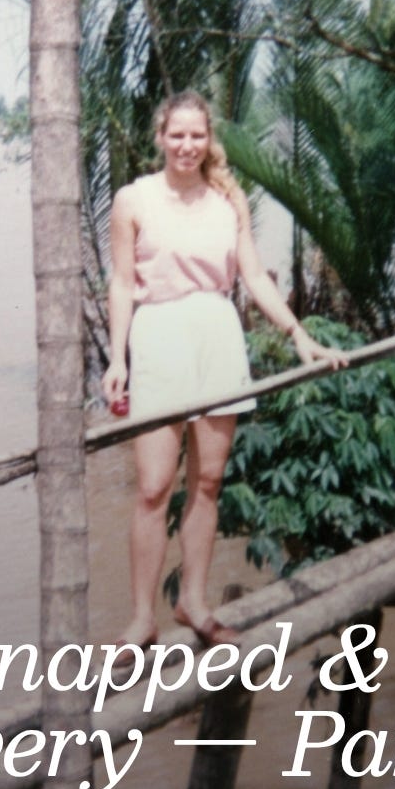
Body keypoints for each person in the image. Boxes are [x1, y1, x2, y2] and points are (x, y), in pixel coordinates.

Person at [101, 91, 348, 653]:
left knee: (207, 484)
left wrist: (298, 335)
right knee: (153, 486)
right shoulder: (133, 200)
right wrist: (118, 358)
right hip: (158, 337)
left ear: (209, 140)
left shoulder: (226, 201)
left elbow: (255, 278)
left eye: (197, 135)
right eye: (177, 135)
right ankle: (141, 620)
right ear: (160, 137)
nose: (187, 146)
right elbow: (121, 283)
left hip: (217, 337)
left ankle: (194, 601)